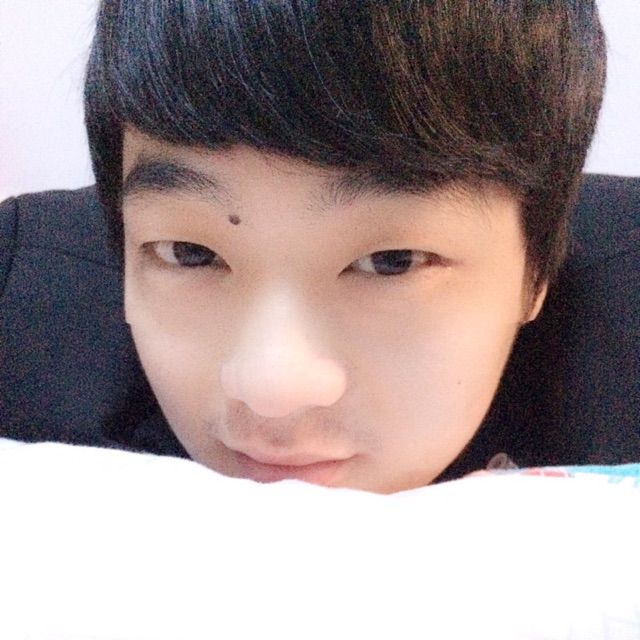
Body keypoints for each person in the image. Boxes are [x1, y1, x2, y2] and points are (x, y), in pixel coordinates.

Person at [2, 1, 614, 492]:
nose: (272, 388)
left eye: (391, 263)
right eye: (190, 253)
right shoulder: (21, 321)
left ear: (536, 270)